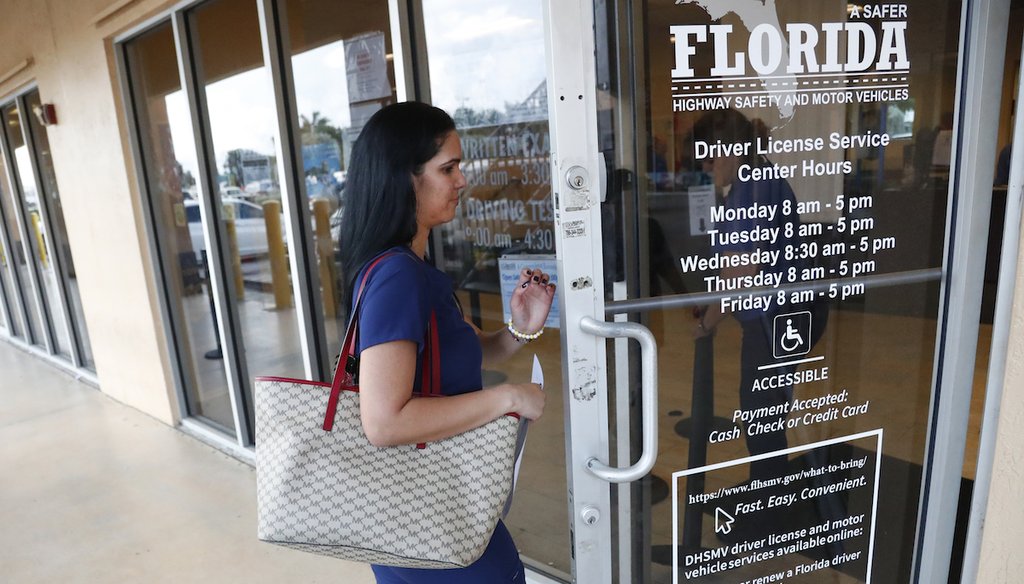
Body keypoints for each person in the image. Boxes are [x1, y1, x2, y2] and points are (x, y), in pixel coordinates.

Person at [337, 101, 555, 584]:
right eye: (448, 168)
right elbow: (384, 420)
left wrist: (519, 328)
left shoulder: (409, 270)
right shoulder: (397, 276)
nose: (462, 181)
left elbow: (468, 352)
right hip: (433, 522)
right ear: (404, 178)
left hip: (434, 510)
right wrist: (507, 397)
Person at [689, 108, 804, 482]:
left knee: (761, 421)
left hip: (770, 323)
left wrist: (706, 323)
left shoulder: (749, 190)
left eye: (707, 155)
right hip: (783, 318)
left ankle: (770, 511)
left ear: (728, 148)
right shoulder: (763, 176)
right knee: (767, 417)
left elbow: (739, 275)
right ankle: (768, 496)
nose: (705, 167)